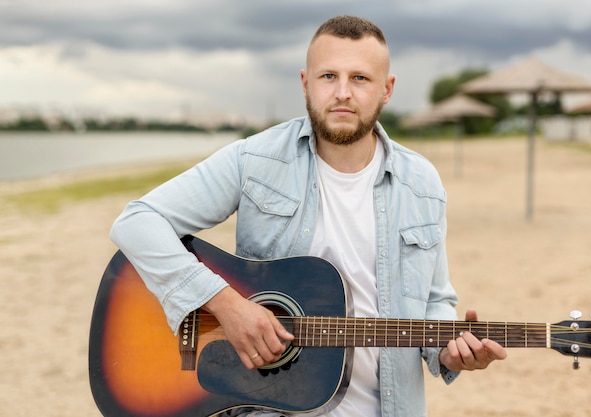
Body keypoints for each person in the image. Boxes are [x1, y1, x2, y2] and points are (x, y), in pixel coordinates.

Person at [110, 15, 506, 417]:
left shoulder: (421, 182)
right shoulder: (255, 160)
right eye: (328, 76)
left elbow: (435, 300)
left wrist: (450, 352)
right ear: (305, 83)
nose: (342, 93)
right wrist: (227, 305)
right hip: (267, 405)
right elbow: (137, 221)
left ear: (387, 90)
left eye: (360, 79)